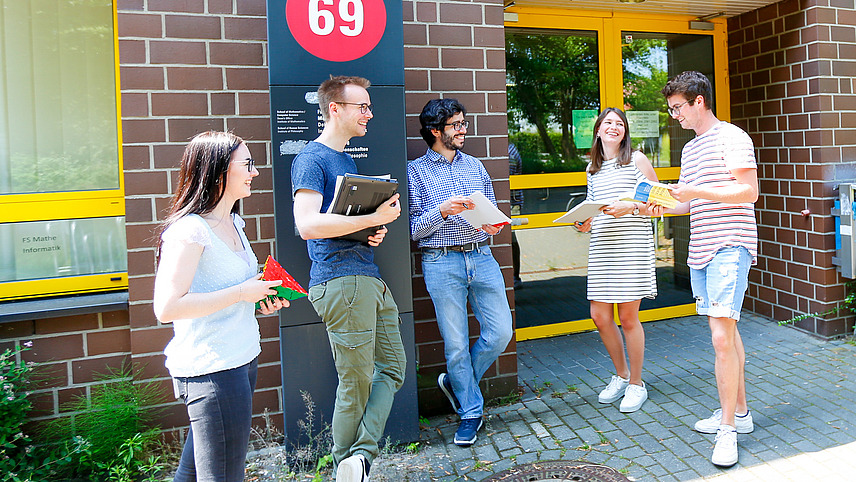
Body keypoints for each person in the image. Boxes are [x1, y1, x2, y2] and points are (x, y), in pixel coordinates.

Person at [153, 131, 289, 481]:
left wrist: (259, 299)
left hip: (241, 359)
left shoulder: (233, 221)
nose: (254, 172)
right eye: (247, 164)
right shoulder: (189, 231)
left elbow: (229, 291)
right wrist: (242, 293)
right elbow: (166, 307)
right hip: (211, 370)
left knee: (193, 471)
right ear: (217, 173)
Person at [291, 75, 406, 482]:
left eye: (369, 106)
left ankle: (356, 457)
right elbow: (306, 225)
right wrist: (374, 217)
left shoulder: (346, 161)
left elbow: (337, 222)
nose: (369, 113)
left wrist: (367, 230)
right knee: (355, 381)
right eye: (362, 106)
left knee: (392, 368)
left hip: (365, 277)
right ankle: (348, 463)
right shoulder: (312, 158)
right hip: (341, 281)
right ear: (334, 109)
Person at [657, 71, 759, 467]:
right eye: (671, 110)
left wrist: (696, 191)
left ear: (699, 101)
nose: (674, 116)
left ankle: (728, 430)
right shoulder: (691, 149)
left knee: (720, 337)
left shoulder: (732, 137)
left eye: (678, 108)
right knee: (726, 335)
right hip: (701, 249)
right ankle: (742, 415)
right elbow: (687, 203)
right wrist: (656, 204)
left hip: (729, 246)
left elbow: (749, 192)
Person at [408, 98, 514, 447]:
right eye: (456, 125)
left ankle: (457, 383)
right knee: (454, 346)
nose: (463, 130)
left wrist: (492, 226)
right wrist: (441, 211)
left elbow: (490, 212)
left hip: (481, 257)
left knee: (500, 332)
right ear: (435, 131)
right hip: (440, 262)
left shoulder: (476, 166)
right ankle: (470, 412)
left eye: (464, 123)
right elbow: (412, 231)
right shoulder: (415, 172)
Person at [574, 108, 658, 413]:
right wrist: (584, 222)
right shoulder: (591, 170)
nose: (614, 127)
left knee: (627, 317)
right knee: (600, 316)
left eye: (619, 124)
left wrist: (631, 207)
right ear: (597, 130)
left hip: (631, 247)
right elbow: (595, 210)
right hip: (602, 248)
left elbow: (658, 202)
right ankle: (621, 375)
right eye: (608, 122)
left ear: (625, 132)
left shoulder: (636, 160)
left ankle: (637, 383)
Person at [508, 142, 524, 290]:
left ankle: (514, 277)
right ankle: (514, 277)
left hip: (511, 203)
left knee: (511, 240)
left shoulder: (509, 152)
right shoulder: (512, 149)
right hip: (514, 202)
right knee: (512, 240)